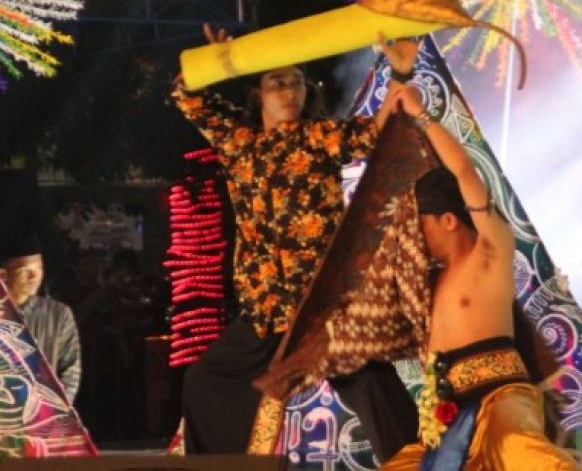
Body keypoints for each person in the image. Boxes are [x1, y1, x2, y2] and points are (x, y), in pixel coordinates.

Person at [170, 25, 420, 461]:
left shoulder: (318, 137)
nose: (289, 91)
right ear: (257, 94)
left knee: (371, 384)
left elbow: (377, 131)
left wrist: (400, 74)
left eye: (297, 82)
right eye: (277, 82)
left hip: (319, 305)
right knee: (206, 381)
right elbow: (187, 96)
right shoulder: (239, 143)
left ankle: (418, 465)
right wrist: (222, 60)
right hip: (264, 311)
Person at [379, 85, 578, 471]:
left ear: (449, 220)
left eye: (420, 226)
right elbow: (382, 192)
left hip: (501, 397)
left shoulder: (489, 251)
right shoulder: (425, 282)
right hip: (445, 415)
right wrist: (393, 112)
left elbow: (464, 172)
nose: (413, 238)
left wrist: (422, 115)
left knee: (516, 447)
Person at [0, 233, 82, 401]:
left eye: (39, 269)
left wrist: (56, 410)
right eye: (25, 271)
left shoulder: (58, 314)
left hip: (45, 410)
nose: (35, 277)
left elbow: (70, 369)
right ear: (2, 275)